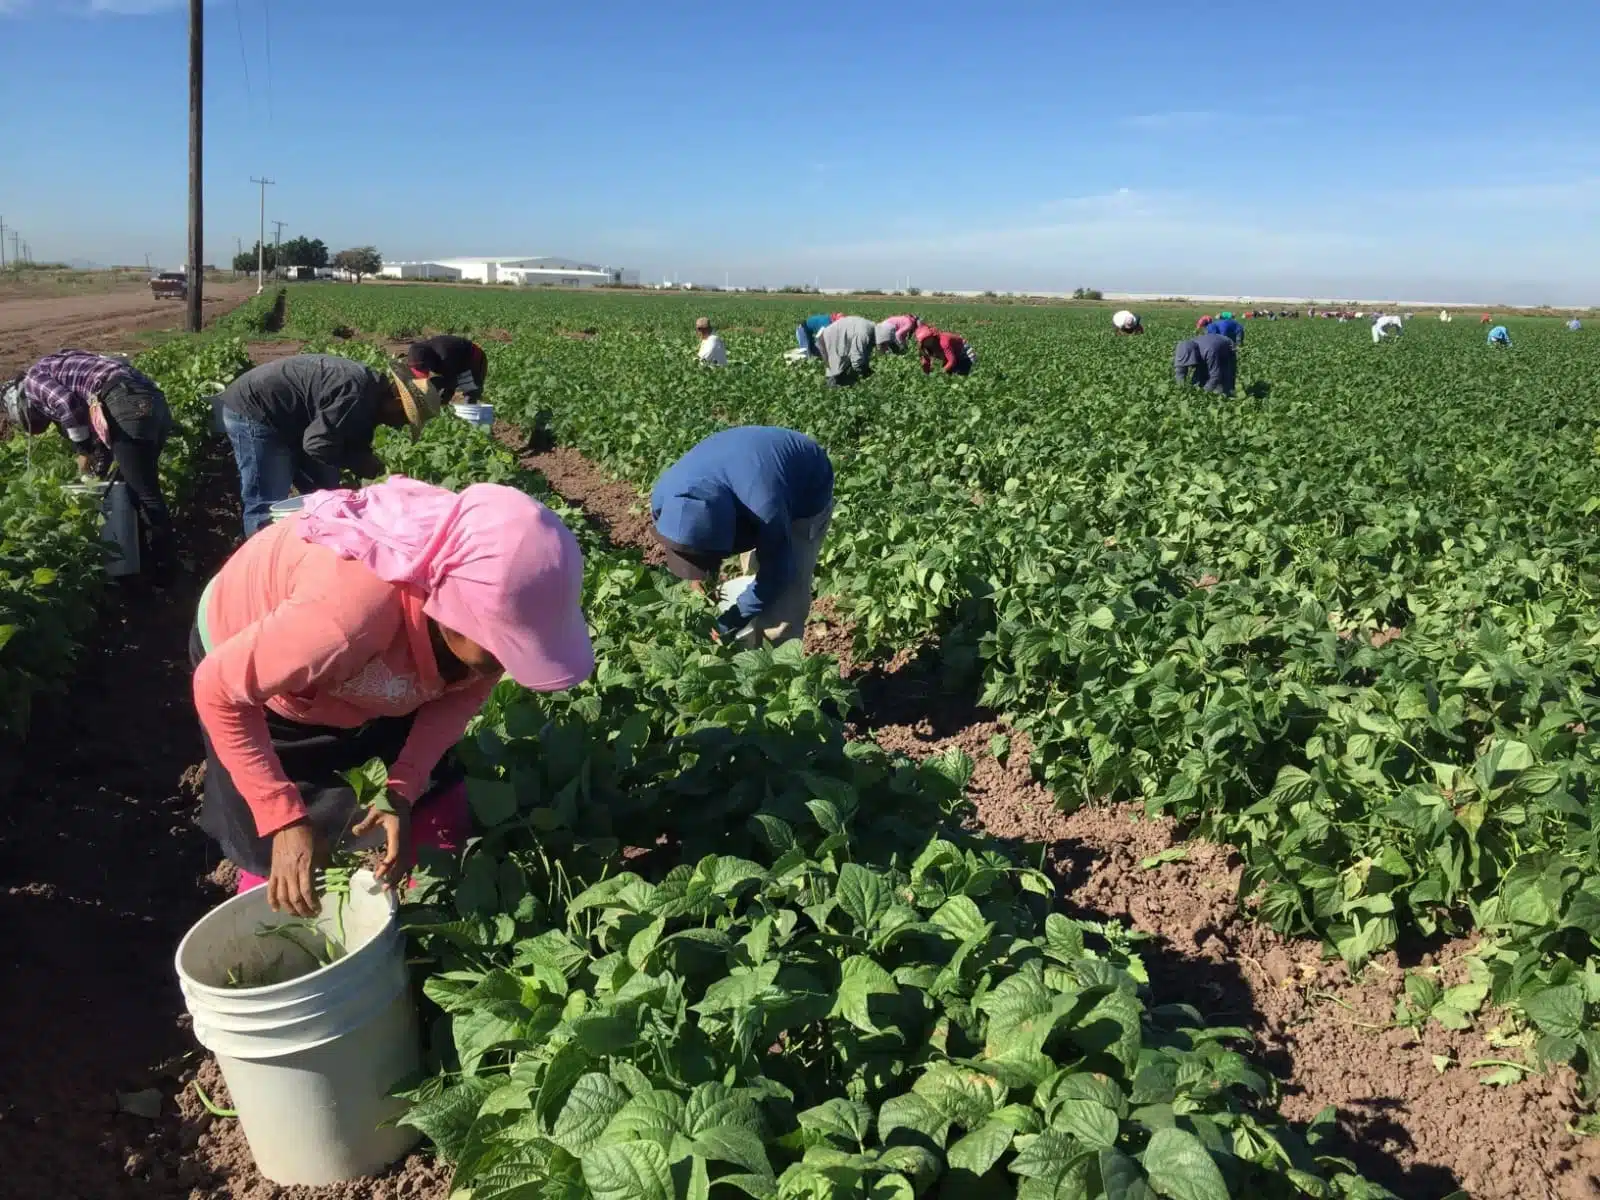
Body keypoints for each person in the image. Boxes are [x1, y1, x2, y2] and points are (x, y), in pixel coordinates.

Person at [190, 476, 593, 915]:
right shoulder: (346, 620)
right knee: (276, 856)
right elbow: (219, 692)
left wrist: (401, 790)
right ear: (449, 607)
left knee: (437, 802)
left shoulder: (489, 604)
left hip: (373, 665)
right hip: (256, 675)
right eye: (503, 645)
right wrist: (283, 819)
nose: (506, 663)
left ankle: (426, 914)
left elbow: (458, 699)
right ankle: (275, 929)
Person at [217, 354, 441, 536]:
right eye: (405, 418)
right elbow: (317, 445)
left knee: (327, 493)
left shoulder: (372, 396)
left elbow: (345, 435)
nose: (400, 426)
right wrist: (359, 463)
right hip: (256, 411)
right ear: (397, 402)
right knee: (267, 504)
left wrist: (368, 462)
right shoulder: (357, 393)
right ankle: (260, 568)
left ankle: (318, 550)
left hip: (295, 419)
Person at [650, 426, 834, 648]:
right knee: (753, 573)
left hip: (805, 486)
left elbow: (778, 573)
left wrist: (731, 620)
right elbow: (685, 539)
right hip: (747, 473)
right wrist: (698, 576)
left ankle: (775, 668)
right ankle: (751, 614)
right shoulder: (663, 497)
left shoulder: (765, 508)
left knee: (783, 601)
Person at [3, 350, 176, 582]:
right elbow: (98, 422)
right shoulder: (60, 367)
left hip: (127, 403)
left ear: (22, 403)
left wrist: (82, 451)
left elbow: (66, 403)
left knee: (146, 495)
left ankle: (164, 573)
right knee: (135, 487)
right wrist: (99, 467)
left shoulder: (34, 381)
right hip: (152, 402)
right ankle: (143, 560)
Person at [406, 335, 486, 405]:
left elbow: (453, 381)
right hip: (454, 361)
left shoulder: (444, 356)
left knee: (471, 393)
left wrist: (436, 386)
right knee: (439, 386)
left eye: (423, 368)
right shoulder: (418, 352)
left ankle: (473, 419)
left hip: (473, 358)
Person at [816, 315, 879, 386]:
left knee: (843, 369)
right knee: (834, 372)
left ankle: (842, 385)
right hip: (828, 340)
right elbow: (856, 359)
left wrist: (866, 368)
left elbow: (865, 353)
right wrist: (865, 372)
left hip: (838, 339)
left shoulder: (871, 328)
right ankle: (832, 389)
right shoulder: (863, 334)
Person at [1173, 332, 1238, 396]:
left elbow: (1215, 375)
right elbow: (1180, 372)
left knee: (1224, 380)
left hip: (1226, 348)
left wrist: (1204, 393)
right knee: (1197, 381)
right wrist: (1181, 389)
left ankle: (1228, 395)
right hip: (1205, 350)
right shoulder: (1183, 349)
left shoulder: (1209, 351)